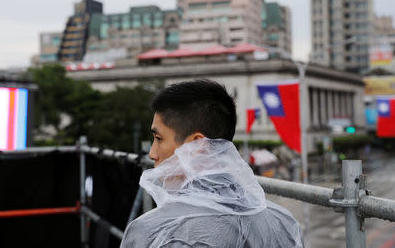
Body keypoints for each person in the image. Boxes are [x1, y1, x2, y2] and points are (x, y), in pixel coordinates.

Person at [120, 79, 303, 248]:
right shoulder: (284, 223)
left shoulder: (150, 233)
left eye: (159, 139)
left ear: (197, 145)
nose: (152, 154)